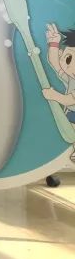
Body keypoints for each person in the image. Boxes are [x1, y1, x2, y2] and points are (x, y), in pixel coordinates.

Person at [43, 23, 75, 163]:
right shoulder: (71, 79)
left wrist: (54, 96)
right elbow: (55, 64)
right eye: (68, 59)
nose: (72, 66)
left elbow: (70, 99)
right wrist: (54, 44)